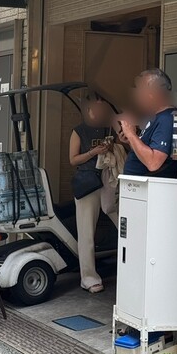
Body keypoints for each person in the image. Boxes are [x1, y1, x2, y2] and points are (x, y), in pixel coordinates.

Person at [69, 96, 120, 293]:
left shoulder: (109, 128)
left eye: (103, 110)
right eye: (97, 110)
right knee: (86, 232)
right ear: (89, 111)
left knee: (122, 221)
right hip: (87, 182)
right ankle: (88, 278)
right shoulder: (79, 130)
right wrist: (93, 152)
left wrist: (111, 148)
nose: (101, 113)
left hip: (108, 180)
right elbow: (73, 160)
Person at [120, 69, 177, 178]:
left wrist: (131, 134)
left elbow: (153, 163)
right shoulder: (155, 117)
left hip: (152, 186)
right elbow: (145, 154)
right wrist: (131, 140)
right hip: (138, 185)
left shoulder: (167, 118)